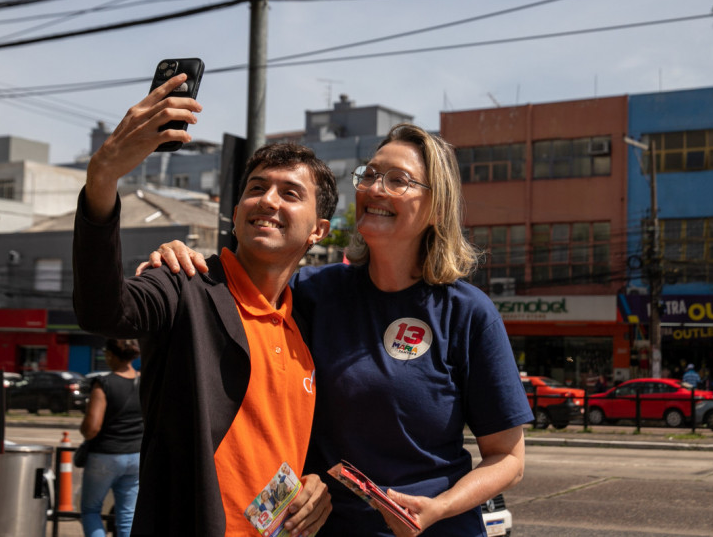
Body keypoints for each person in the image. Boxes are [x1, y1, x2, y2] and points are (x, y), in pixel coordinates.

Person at [145, 123, 534, 536]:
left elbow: (508, 460)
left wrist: (437, 509)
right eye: (370, 174)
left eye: (397, 180)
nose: (374, 188)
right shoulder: (311, 291)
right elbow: (234, 295)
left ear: (436, 206)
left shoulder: (467, 312)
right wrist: (183, 260)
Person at [72, 72, 334, 537]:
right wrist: (103, 178)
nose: (267, 200)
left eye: (290, 193)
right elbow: (103, 311)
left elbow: (283, 442)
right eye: (255, 188)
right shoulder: (184, 282)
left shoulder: (309, 322)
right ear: (235, 213)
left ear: (319, 231)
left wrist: (314, 480)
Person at [79, 339, 142, 537]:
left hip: (105, 455)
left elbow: (92, 427)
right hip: (136, 455)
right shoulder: (145, 380)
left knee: (91, 510)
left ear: (110, 355)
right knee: (128, 514)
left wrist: (83, 428)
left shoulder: (103, 383)